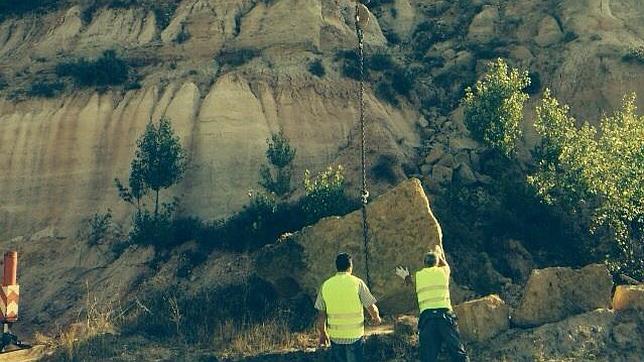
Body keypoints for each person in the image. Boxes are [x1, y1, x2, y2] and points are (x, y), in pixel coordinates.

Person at [395, 245, 469, 362]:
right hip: (445, 317)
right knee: (458, 353)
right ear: (437, 262)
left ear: (424, 263)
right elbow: (446, 265)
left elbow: (410, 281)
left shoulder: (419, 276)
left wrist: (405, 276)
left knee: (428, 357)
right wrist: (439, 254)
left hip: (428, 319)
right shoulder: (444, 271)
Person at [315, 252, 382, 362]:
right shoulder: (357, 283)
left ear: (336, 267)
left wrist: (323, 334)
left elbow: (321, 316)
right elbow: (371, 307)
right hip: (355, 336)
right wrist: (376, 318)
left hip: (335, 337)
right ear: (350, 266)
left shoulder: (326, 285)